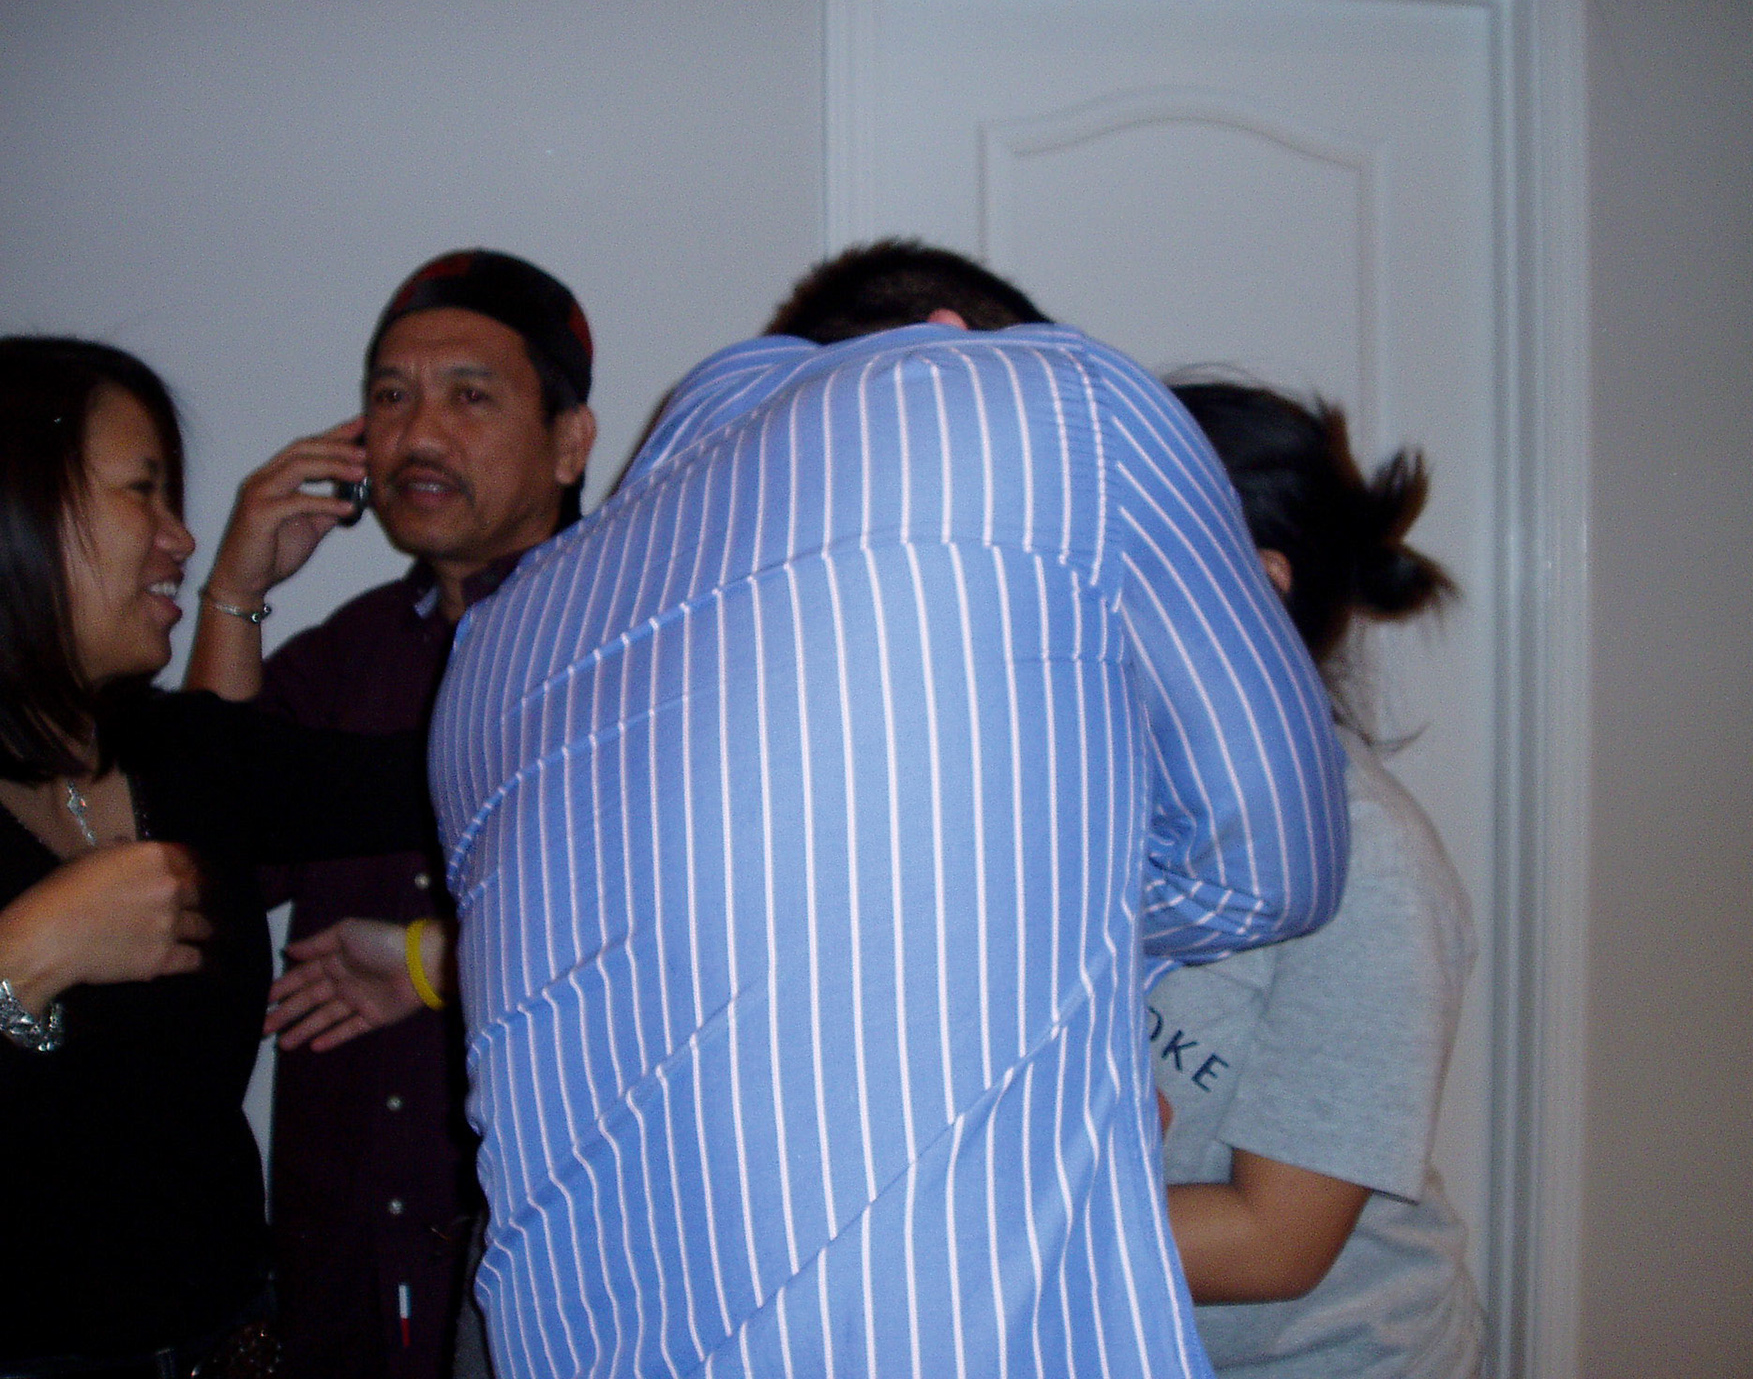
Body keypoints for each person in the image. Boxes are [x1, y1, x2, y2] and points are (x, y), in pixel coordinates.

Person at [427, 241, 1351, 1377]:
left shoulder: (489, 649)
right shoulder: (1055, 397)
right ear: (956, 347)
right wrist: (1023, 907)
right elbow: (1276, 871)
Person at [183, 249, 597, 1379]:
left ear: (569, 442)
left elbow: (681, 923)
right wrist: (237, 591)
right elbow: (202, 866)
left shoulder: (630, 642)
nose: (419, 434)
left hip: (544, 1282)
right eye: (390, 396)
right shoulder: (354, 652)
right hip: (345, 1271)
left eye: (470, 397)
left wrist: (433, 964)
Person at [0, 336, 430, 1374]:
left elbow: (454, 779)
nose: (179, 536)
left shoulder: (171, 751)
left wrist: (236, 590)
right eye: (141, 493)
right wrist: (26, 952)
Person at [1151, 380, 1488, 1376]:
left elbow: (1274, 1244)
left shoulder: (1371, 865)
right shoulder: (1106, 789)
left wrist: (965, 1229)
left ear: (1256, 588)